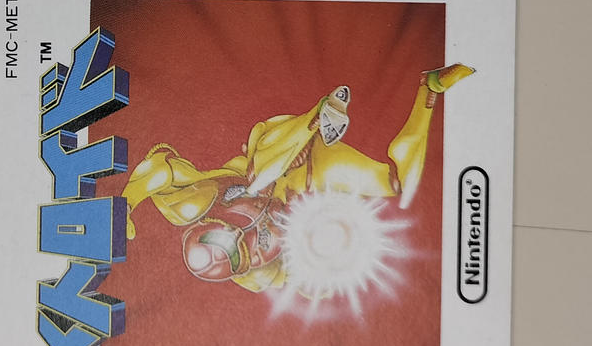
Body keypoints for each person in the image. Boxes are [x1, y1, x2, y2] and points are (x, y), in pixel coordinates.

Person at [120, 64, 473, 292]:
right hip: (309, 178)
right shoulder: (259, 275)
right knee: (397, 183)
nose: (247, 234)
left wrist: (126, 203)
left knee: (260, 174)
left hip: (272, 150)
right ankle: (430, 88)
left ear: (209, 222)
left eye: (230, 234)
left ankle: (320, 116)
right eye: (244, 251)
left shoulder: (189, 205)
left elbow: (161, 168)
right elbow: (309, 284)